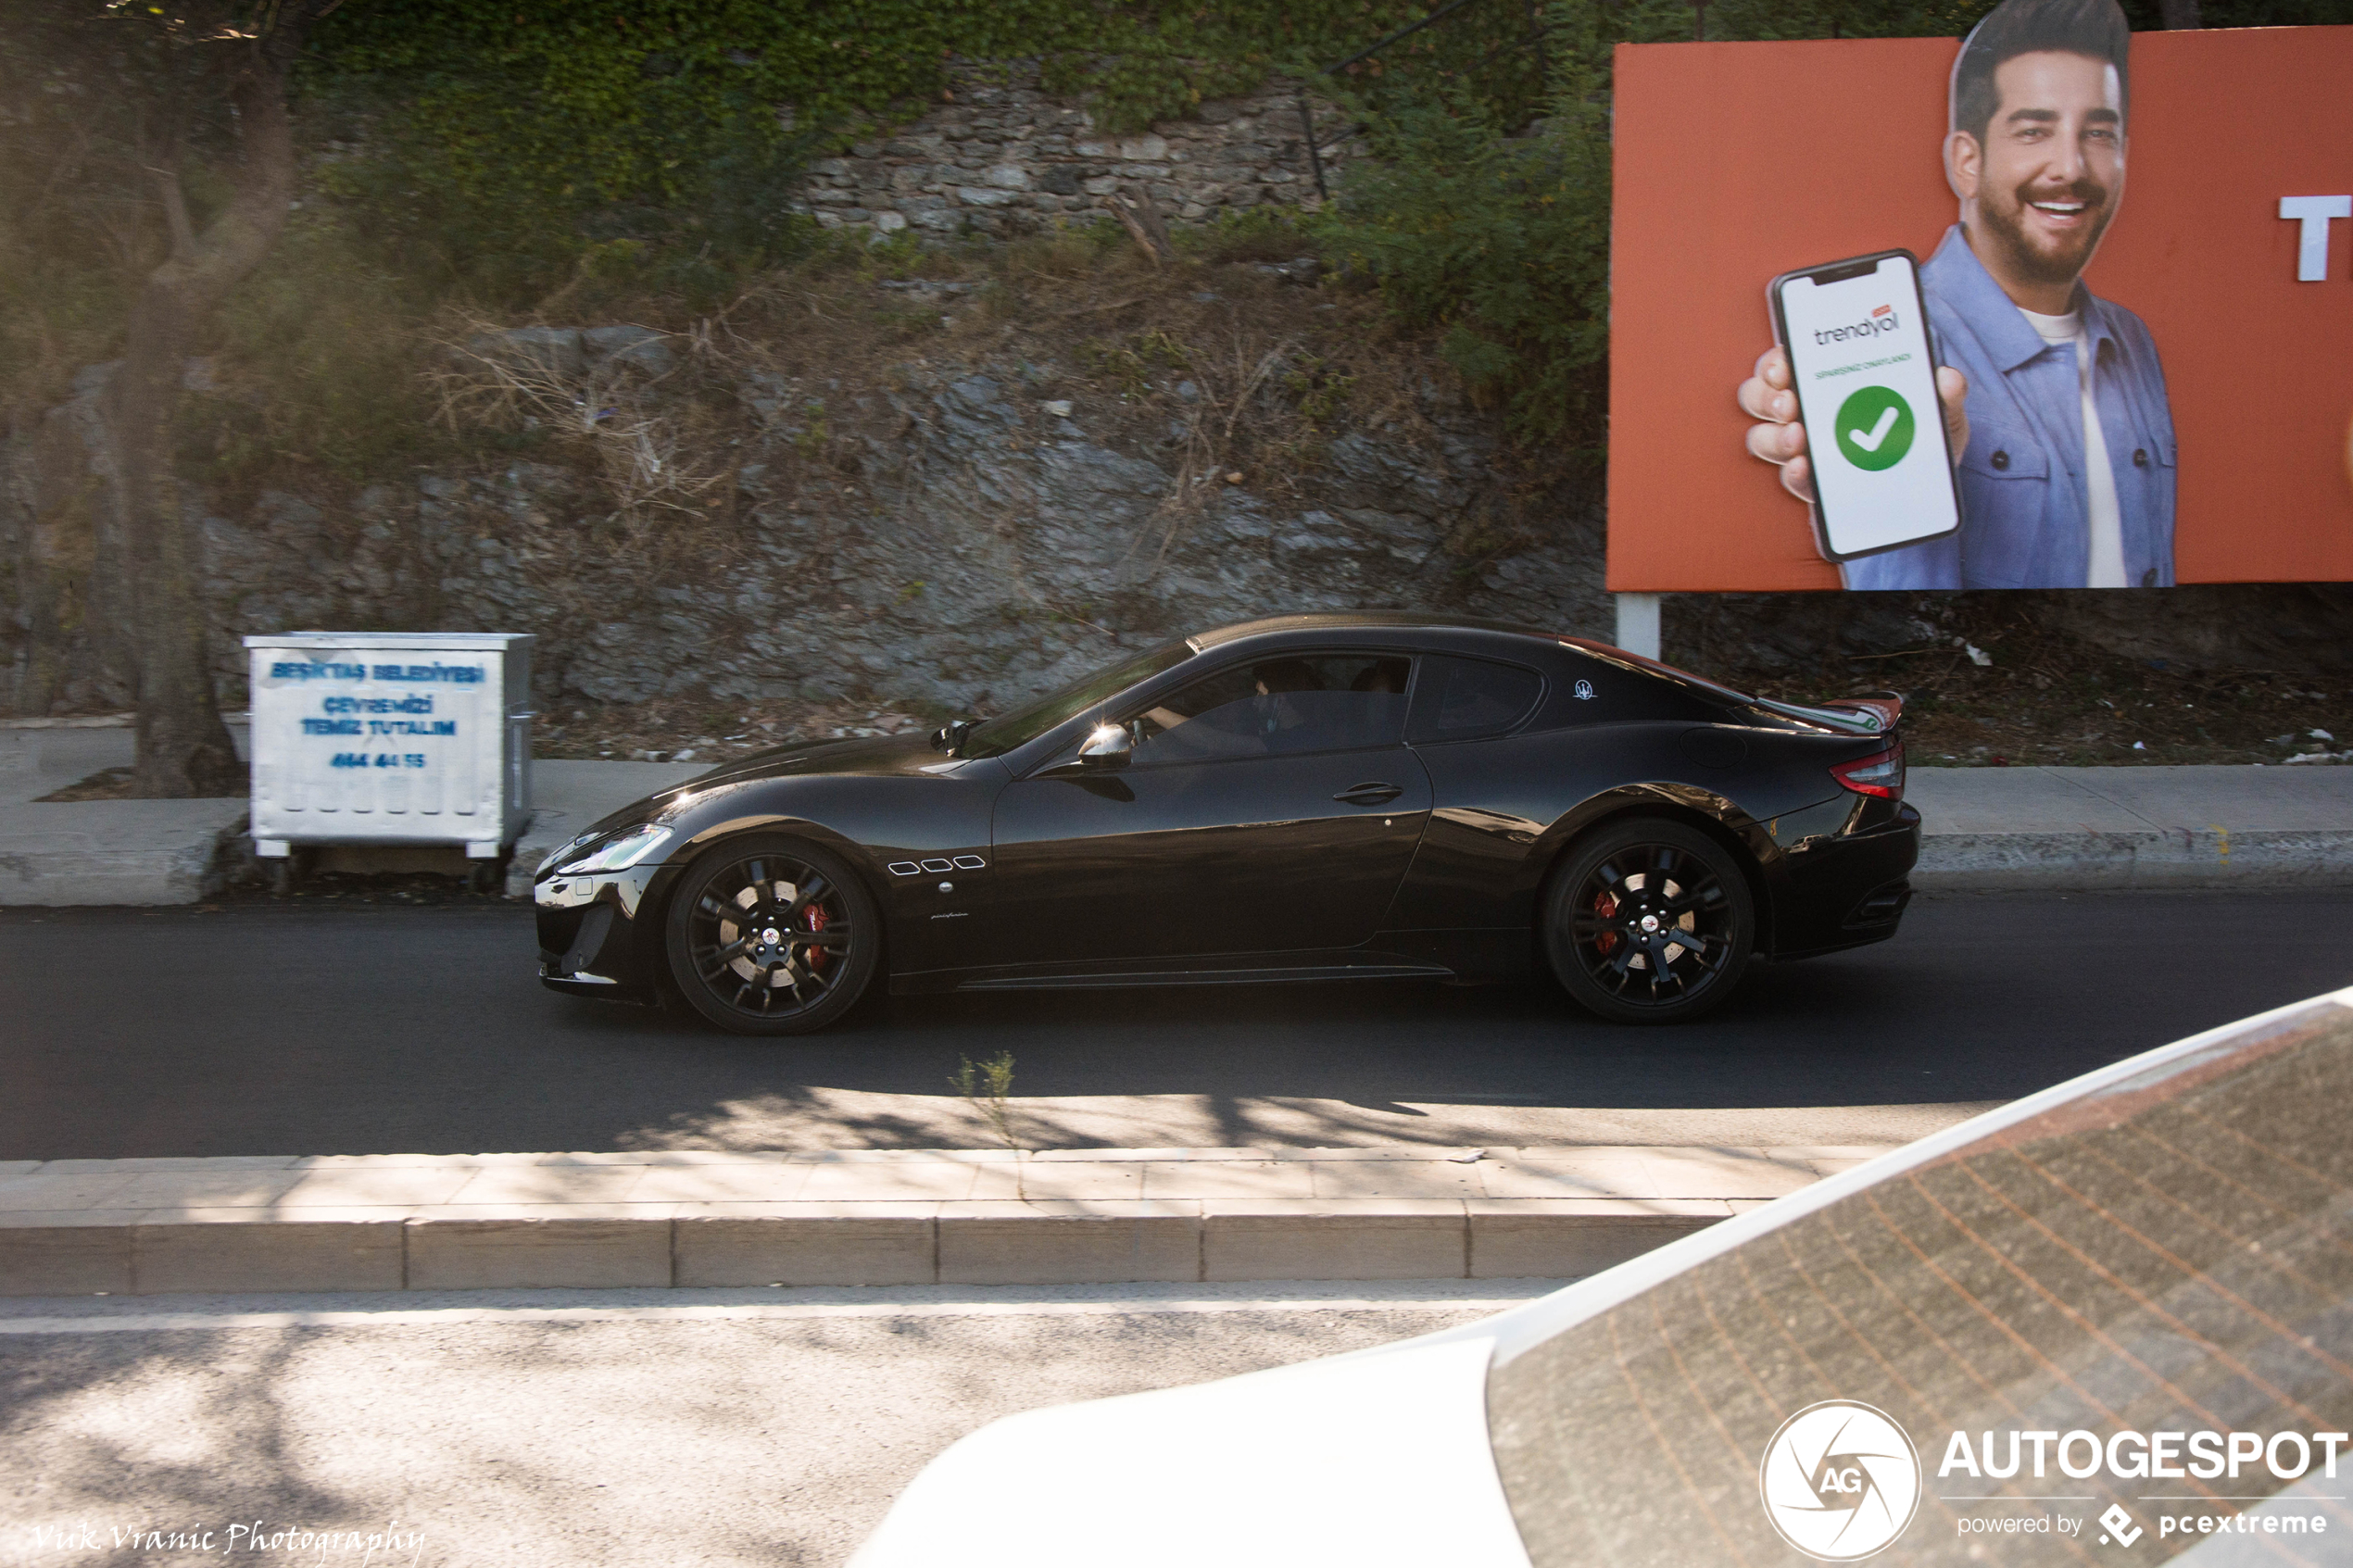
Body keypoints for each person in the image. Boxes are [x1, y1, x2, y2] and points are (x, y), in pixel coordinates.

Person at [1738, 0, 2176, 589]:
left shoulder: (2132, 340)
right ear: (1967, 162)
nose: (2071, 166)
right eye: (2034, 131)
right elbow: (1898, 612)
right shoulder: (1907, 339)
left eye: (2099, 132)